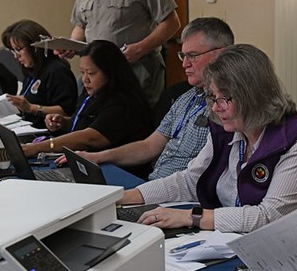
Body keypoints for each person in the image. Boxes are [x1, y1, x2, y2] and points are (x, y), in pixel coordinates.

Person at [119, 44, 297, 233]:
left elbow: (269, 217)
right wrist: (124, 198)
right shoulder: (227, 128)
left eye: (225, 98)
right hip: (230, 240)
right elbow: (189, 181)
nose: (215, 107)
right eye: (213, 96)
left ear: (254, 95)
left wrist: (192, 217)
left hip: (286, 252)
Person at [69, 17, 234, 180]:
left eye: (192, 56)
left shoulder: (229, 105)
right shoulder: (185, 98)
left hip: (180, 195)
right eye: (183, 56)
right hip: (154, 183)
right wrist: (98, 157)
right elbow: (148, 146)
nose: (184, 64)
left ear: (220, 53)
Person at [22, 40, 153, 159]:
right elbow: (86, 124)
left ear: (110, 72)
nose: (85, 79)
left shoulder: (122, 102)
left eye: (91, 73)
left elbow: (91, 138)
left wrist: (39, 147)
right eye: (82, 72)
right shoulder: (93, 93)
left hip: (117, 170)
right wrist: (64, 123)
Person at [2, 19, 77, 129]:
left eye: (19, 49)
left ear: (35, 48)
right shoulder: (32, 69)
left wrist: (31, 108)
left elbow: (66, 111)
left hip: (47, 134)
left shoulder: (57, 71)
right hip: (27, 128)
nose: (16, 56)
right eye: (13, 51)